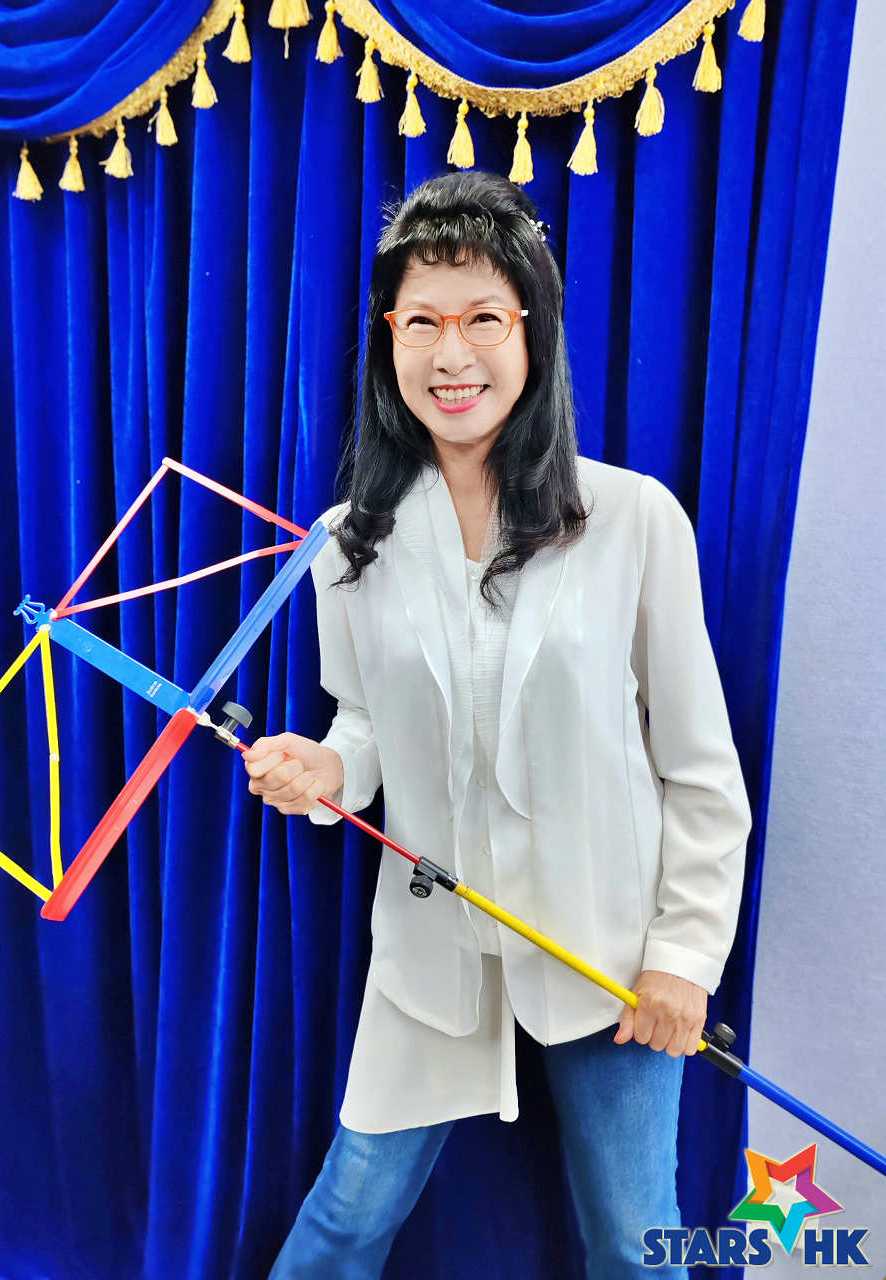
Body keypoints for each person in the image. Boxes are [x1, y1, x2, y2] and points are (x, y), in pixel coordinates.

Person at [242, 170, 752, 1278]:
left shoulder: (632, 520)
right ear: (389, 338)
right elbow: (364, 721)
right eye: (420, 322)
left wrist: (683, 957)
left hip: (610, 950)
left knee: (636, 1245)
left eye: (483, 317)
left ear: (533, 331)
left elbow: (702, 771)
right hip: (430, 942)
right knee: (343, 1219)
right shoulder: (348, 540)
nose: (451, 353)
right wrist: (324, 765)